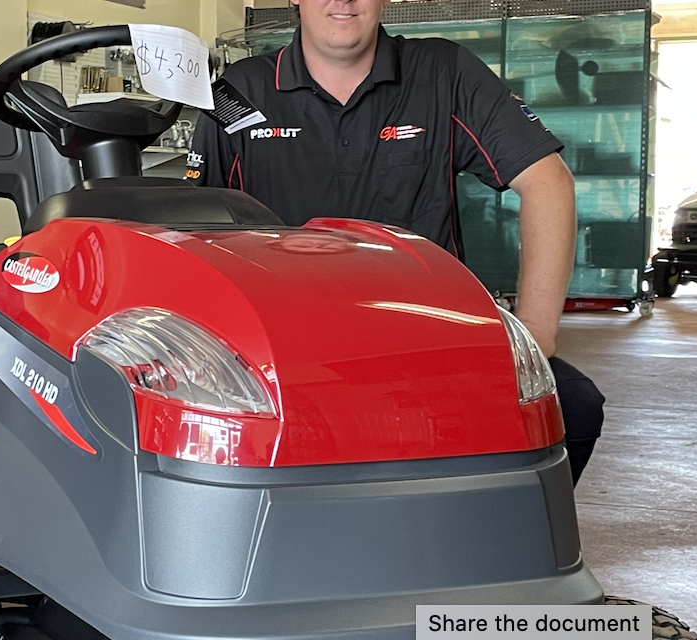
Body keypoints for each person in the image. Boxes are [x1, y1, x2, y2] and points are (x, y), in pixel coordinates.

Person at [188, 0, 604, 482]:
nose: (342, 2)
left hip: (425, 344)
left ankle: (501, 548)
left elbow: (548, 182)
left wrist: (535, 330)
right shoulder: (237, 91)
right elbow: (193, 226)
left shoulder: (443, 72)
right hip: (282, 352)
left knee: (572, 405)